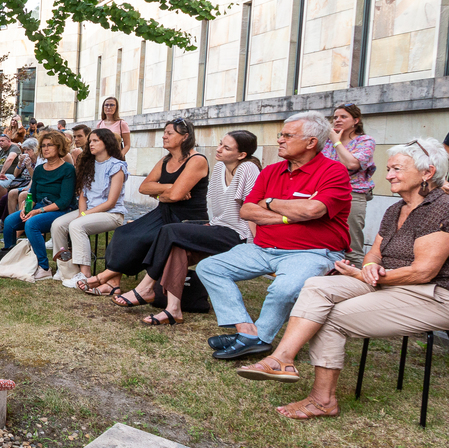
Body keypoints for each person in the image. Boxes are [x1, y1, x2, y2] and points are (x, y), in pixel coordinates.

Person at [235, 138, 449, 420]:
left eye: (396, 169)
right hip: (386, 281)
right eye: (388, 169)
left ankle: (322, 400)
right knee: (315, 286)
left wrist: (367, 275)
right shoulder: (396, 208)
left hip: (431, 294)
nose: (388, 175)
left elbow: (423, 272)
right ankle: (281, 359)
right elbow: (374, 252)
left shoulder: (441, 208)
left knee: (330, 316)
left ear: (427, 172)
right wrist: (370, 266)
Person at [197, 111, 351, 359]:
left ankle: (260, 338)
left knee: (284, 288)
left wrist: (266, 202)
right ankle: (247, 331)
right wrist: (287, 212)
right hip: (263, 248)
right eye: (281, 134)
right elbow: (247, 210)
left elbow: (314, 209)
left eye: (287, 135)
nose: (280, 139)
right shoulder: (270, 171)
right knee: (210, 267)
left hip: (311, 252)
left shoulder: (334, 172)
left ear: (311, 142)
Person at [115, 131, 261, 325]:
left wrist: (256, 244)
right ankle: (173, 309)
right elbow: (216, 207)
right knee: (177, 245)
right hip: (219, 227)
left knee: (171, 230)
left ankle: (146, 287)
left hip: (239, 234)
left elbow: (252, 208)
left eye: (226, 148)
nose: (218, 149)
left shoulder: (248, 169)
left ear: (241, 154)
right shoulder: (218, 168)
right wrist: (210, 225)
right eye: (220, 144)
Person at [80, 118, 209, 296]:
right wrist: (169, 188)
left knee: (143, 238)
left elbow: (176, 196)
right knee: (123, 233)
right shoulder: (166, 160)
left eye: (169, 133)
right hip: (162, 212)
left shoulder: (197, 160)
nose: (164, 136)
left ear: (185, 137)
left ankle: (105, 277)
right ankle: (113, 284)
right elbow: (144, 187)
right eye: (165, 132)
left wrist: (163, 193)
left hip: (187, 218)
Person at [50, 129, 128, 289]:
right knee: (58, 224)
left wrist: (84, 215)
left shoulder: (117, 166)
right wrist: (81, 213)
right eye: (90, 141)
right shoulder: (89, 164)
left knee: (77, 225)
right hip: (89, 211)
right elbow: (83, 196)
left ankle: (85, 274)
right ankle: (66, 270)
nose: (91, 144)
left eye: (95, 141)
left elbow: (111, 202)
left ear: (107, 143)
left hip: (112, 214)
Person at [0, 131, 76, 279]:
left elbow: (64, 201)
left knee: (32, 224)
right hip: (40, 207)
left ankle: (44, 267)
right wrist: (24, 209)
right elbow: (33, 195)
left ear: (59, 147)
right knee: (10, 221)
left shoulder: (68, 169)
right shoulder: (40, 169)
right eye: (43, 146)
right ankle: (9, 260)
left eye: (50, 145)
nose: (45, 149)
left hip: (60, 210)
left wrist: (38, 211)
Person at [321, 104, 376, 265]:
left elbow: (352, 164)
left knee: (351, 245)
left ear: (356, 121)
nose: (337, 120)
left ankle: (359, 284)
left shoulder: (365, 141)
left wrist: (337, 142)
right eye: (335, 117)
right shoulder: (326, 142)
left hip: (352, 195)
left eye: (343, 117)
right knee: (324, 242)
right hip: (325, 193)